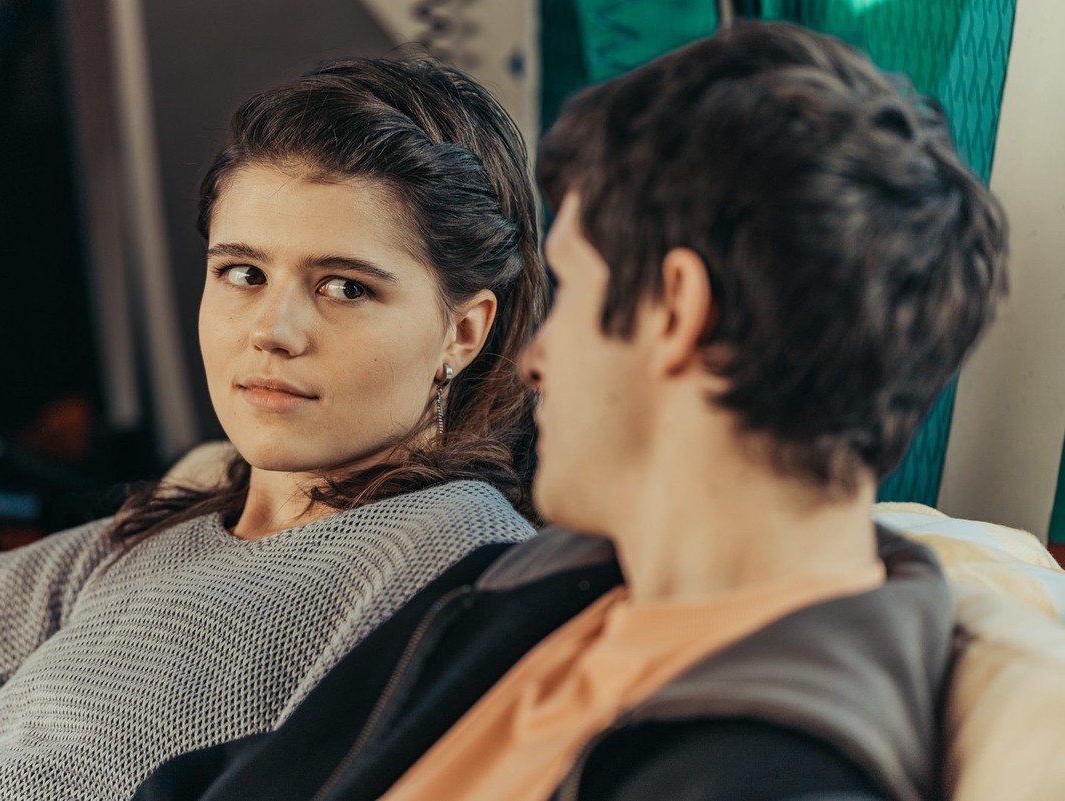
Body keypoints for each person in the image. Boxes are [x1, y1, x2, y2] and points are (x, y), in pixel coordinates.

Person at [132, 20, 1008, 801]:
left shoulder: (764, 770)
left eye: (576, 292)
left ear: (674, 312)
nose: (535, 359)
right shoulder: (534, 584)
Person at [0, 55, 549, 800]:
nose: (272, 330)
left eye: (344, 287)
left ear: (462, 332)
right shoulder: (168, 529)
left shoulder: (454, 549)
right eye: (243, 273)